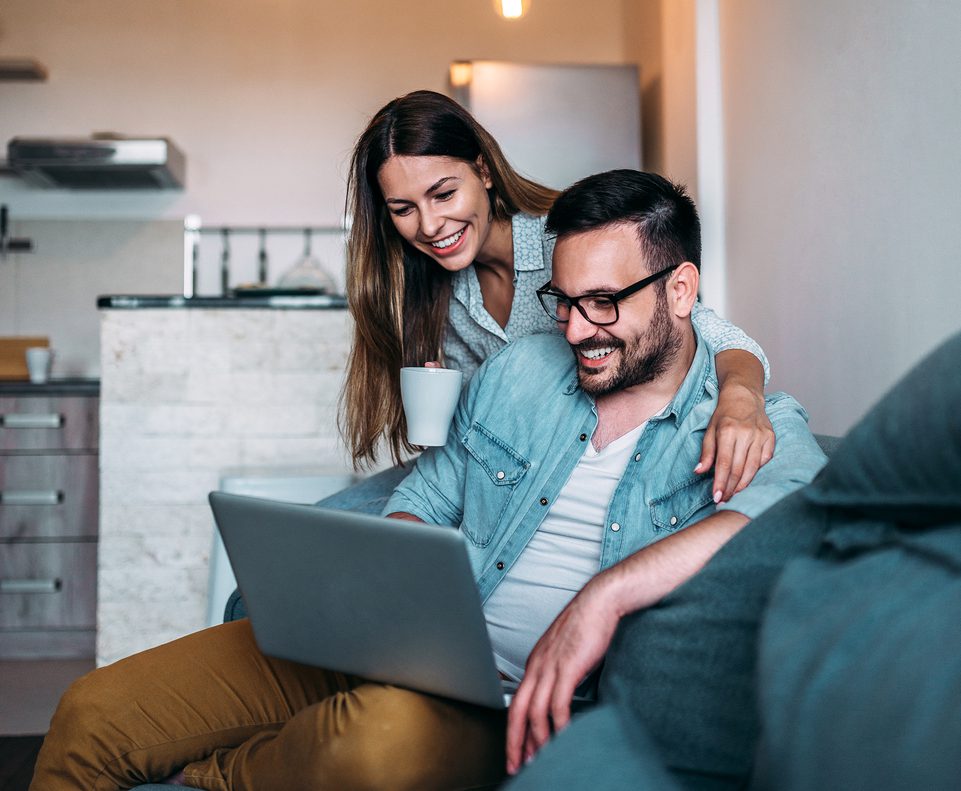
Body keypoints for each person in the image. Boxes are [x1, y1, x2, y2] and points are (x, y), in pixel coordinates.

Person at [30, 170, 824, 791]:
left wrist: (604, 595)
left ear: (680, 291)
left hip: (501, 704)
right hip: (398, 642)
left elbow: (795, 507)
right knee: (91, 710)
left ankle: (208, 776)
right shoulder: (520, 371)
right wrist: (393, 566)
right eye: (562, 302)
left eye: (603, 304)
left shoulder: (748, 423)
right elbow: (427, 493)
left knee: (373, 746)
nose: (576, 330)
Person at [332, 90, 775, 512]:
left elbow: (706, 329)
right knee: (326, 523)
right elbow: (474, 433)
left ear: (484, 172)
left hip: (581, 469)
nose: (429, 225)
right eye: (403, 209)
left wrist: (742, 396)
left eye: (444, 194)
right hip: (496, 472)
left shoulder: (564, 245)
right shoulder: (428, 288)